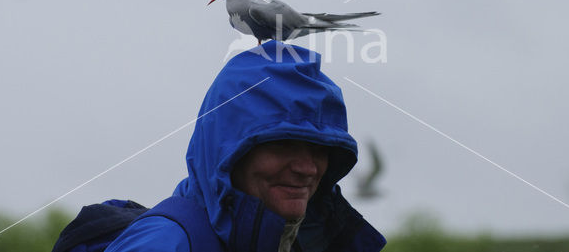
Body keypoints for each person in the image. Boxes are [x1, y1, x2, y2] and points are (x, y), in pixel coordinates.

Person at [105, 41, 386, 251]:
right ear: (227, 153)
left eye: (321, 148)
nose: (307, 168)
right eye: (283, 144)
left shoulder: (292, 242)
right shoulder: (163, 245)